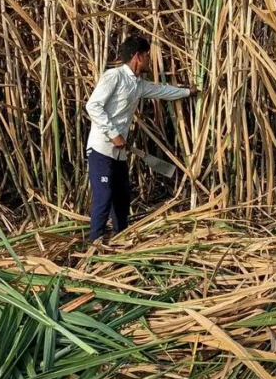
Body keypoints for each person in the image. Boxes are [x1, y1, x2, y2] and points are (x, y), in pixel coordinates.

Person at [85, 35, 199, 244]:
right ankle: (94, 243)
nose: (149, 60)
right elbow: (93, 106)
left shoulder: (138, 84)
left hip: (118, 152)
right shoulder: (114, 76)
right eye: (147, 55)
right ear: (137, 56)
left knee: (122, 195)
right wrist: (114, 134)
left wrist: (187, 92)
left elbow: (162, 91)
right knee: (104, 195)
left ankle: (120, 237)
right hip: (101, 149)